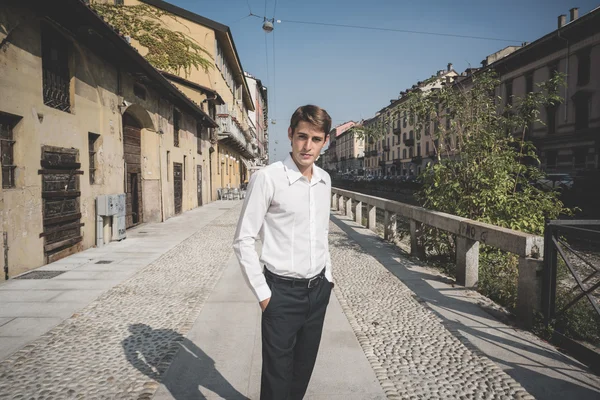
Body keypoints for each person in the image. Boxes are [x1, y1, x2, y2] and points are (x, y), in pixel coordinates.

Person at [233, 105, 334, 400]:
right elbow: (243, 239)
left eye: (316, 139)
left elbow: (321, 233)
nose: (307, 146)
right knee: (277, 379)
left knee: (302, 373)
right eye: (302, 136)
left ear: (325, 141)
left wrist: (328, 277)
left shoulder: (325, 180)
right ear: (290, 134)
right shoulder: (268, 178)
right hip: (281, 294)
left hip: (318, 292)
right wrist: (265, 296)